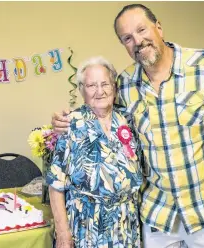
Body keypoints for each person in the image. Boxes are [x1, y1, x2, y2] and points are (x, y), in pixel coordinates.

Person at [51, 4, 204, 248]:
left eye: (141, 29)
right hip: (158, 216)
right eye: (127, 38)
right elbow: (98, 109)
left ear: (159, 27)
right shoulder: (125, 84)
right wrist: (63, 121)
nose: (137, 40)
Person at [47, 56, 144, 248]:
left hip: (126, 223)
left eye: (105, 84)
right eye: (91, 85)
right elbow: (56, 185)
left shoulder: (127, 119)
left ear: (114, 87)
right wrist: (63, 233)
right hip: (87, 226)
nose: (100, 91)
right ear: (82, 90)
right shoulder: (71, 125)